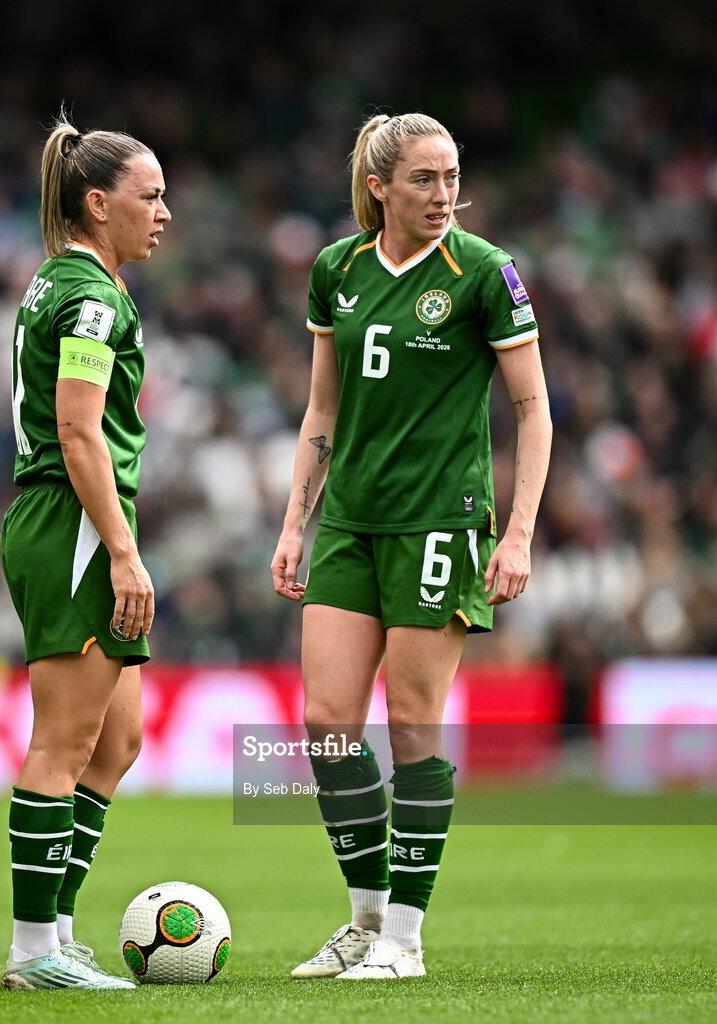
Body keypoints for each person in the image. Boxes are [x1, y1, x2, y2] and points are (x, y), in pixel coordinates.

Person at [271, 112, 552, 980]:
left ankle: (404, 937)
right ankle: (362, 921)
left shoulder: (483, 272)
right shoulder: (336, 272)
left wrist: (515, 534)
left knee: (412, 725)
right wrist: (295, 521)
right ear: (378, 187)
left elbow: (533, 409)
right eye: (425, 180)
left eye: (452, 178)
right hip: (352, 520)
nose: (443, 196)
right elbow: (322, 409)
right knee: (325, 726)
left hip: (440, 521)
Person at [0, 113, 171, 989]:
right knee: (63, 742)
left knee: (118, 741)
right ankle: (34, 954)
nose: (164, 213)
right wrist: (121, 549)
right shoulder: (93, 296)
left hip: (69, 519)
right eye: (150, 196)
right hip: (72, 522)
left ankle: (57, 934)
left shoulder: (62, 282)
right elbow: (76, 428)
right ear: (97, 204)